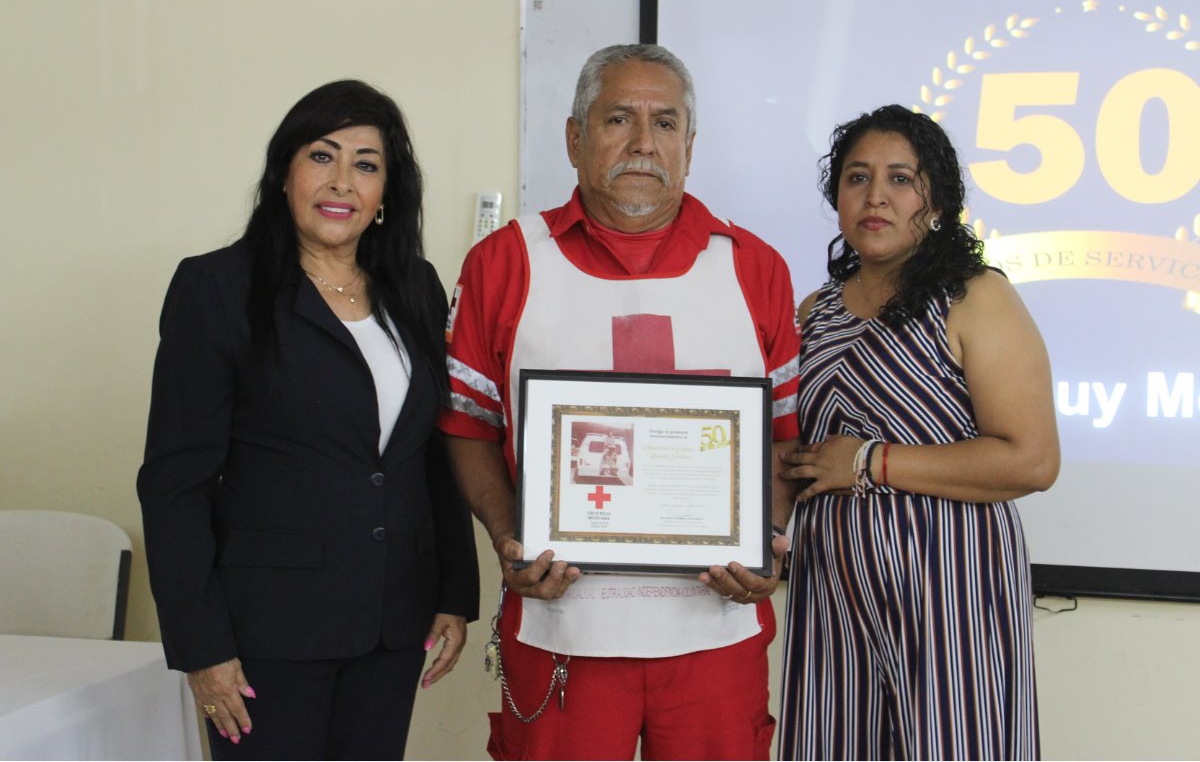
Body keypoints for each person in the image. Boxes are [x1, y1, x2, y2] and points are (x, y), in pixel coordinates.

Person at [439, 44, 800, 761]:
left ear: (690, 147)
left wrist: (765, 537)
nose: (643, 143)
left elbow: (783, 438)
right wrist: (510, 537)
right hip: (561, 629)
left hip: (714, 634)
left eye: (665, 123)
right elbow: (468, 427)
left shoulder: (755, 266)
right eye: (618, 120)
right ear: (574, 138)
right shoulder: (505, 262)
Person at [137, 80, 479, 760]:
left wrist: (453, 591)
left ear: (387, 192)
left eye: (367, 164)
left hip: (393, 621)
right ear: (284, 172)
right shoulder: (218, 289)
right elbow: (175, 483)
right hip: (267, 633)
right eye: (322, 156)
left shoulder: (415, 285)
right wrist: (201, 647)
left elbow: (431, 454)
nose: (343, 182)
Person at [776, 105, 1059, 760]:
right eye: (857, 178)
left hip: (950, 588)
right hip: (832, 593)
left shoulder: (975, 297)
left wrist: (871, 462)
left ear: (935, 200)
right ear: (837, 197)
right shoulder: (815, 312)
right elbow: (803, 453)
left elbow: (1033, 460)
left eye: (900, 178)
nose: (876, 195)